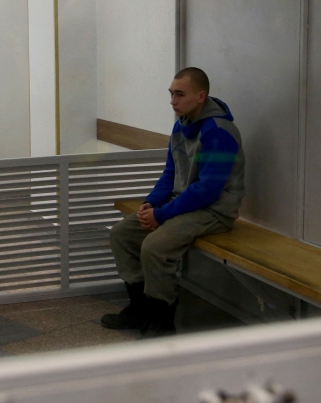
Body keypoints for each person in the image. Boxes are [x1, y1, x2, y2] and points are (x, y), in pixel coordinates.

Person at [101, 67, 245, 338]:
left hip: (214, 211)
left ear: (201, 96)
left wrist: (162, 214)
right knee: (122, 234)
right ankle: (139, 309)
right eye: (171, 94)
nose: (172, 101)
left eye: (180, 94)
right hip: (183, 204)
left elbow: (208, 190)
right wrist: (151, 204)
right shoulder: (182, 124)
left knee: (155, 247)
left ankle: (162, 321)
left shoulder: (219, 131)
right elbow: (171, 172)